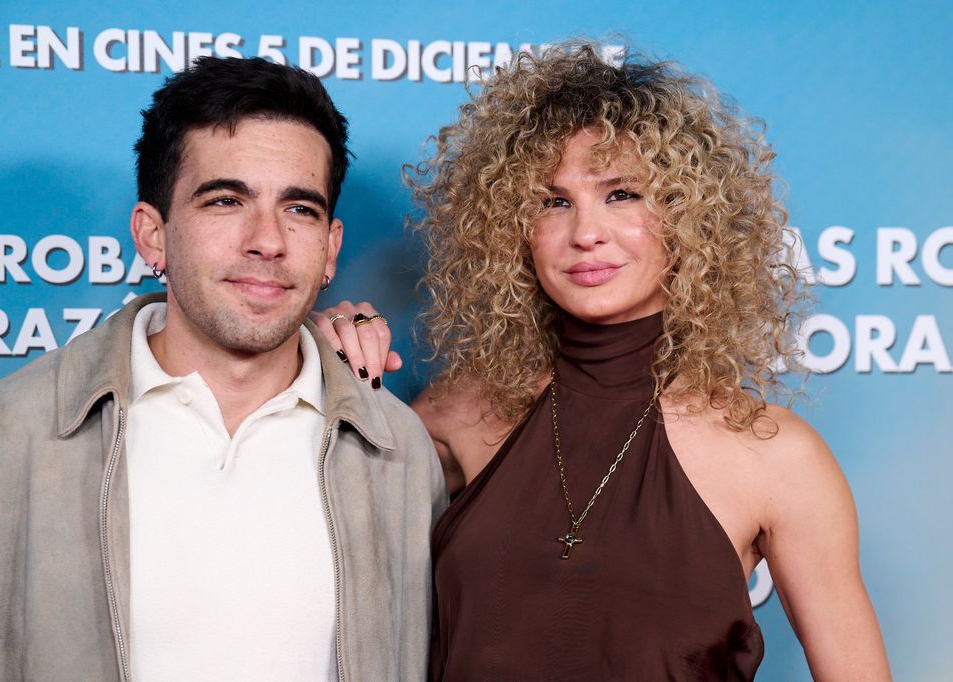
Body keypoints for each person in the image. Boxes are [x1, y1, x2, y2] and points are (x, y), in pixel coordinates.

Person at [314, 43, 891, 680]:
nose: (586, 232)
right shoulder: (459, 413)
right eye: (553, 201)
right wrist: (318, 353)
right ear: (513, 229)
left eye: (622, 194)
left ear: (687, 216)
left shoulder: (776, 456)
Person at [0, 56, 445, 681]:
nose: (268, 240)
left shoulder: (397, 452)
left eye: (299, 209)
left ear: (331, 247)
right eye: (226, 200)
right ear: (152, 235)